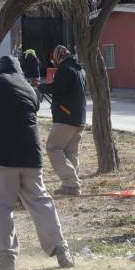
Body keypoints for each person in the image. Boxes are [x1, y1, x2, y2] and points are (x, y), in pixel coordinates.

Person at [0, 55, 75, 270]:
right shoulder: (30, 90)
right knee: (41, 203)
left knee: (1, 206)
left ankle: (7, 258)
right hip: (31, 157)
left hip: (2, 160)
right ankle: (61, 248)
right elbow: (14, 117)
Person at [38, 45, 87, 196]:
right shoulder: (80, 69)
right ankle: (71, 186)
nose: (54, 62)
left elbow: (58, 88)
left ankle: (71, 182)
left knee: (53, 148)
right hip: (79, 118)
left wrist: (42, 87)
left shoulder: (65, 69)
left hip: (65, 117)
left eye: (54, 58)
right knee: (70, 152)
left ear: (59, 57)